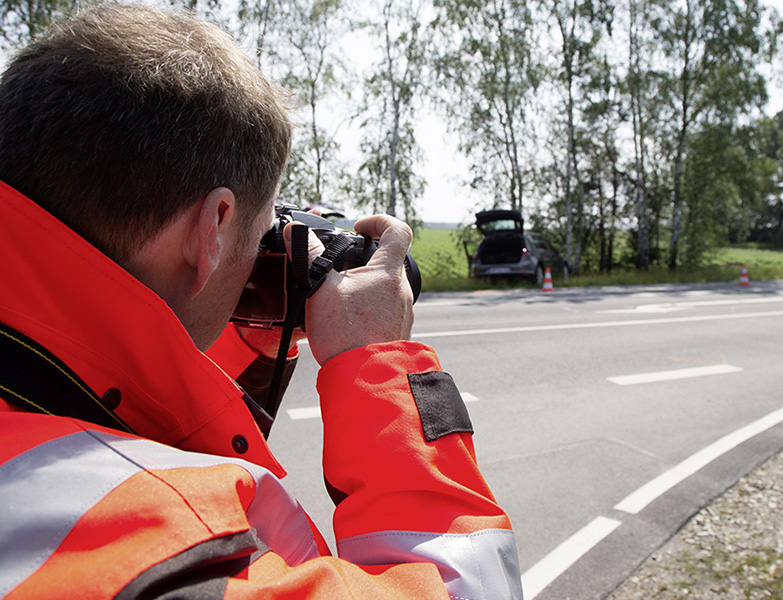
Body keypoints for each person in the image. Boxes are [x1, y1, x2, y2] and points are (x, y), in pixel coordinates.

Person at [0, 4, 521, 599]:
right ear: (215, 227)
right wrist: (376, 362)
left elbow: (94, 393)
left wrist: (249, 343)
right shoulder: (179, 548)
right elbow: (467, 587)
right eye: (259, 230)